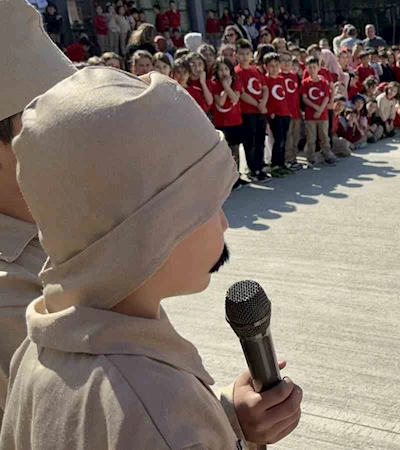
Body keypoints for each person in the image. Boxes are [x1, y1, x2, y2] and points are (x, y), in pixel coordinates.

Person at [2, 67, 303, 449]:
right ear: (150, 234)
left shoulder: (35, 352)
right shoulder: (160, 412)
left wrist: (225, 419)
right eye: (210, 204)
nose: (225, 223)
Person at [0, 0, 76, 427]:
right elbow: (95, 418)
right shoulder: (10, 293)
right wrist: (226, 419)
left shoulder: (54, 225)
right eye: (45, 125)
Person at [209, 56, 249, 191]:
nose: (223, 72)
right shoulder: (214, 84)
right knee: (223, 152)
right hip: (221, 123)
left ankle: (236, 177)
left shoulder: (236, 82)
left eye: (226, 69)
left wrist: (228, 86)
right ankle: (225, 179)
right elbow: (220, 102)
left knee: (235, 150)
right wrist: (225, 86)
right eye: (220, 70)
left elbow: (235, 98)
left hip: (235, 121)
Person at [234, 39, 269, 182]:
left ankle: (259, 166)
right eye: (241, 54)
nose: (244, 57)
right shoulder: (237, 72)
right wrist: (257, 104)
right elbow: (241, 93)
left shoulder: (256, 71)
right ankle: (252, 168)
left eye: (247, 54)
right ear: (237, 55)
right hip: (247, 111)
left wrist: (263, 102)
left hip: (260, 110)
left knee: (260, 139)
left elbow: (265, 88)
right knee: (250, 141)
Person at [261, 52, 292, 178]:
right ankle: (275, 165)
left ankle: (282, 163)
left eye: (276, 65)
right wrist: (270, 112)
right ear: (265, 67)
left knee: (283, 140)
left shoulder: (281, 79)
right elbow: (265, 98)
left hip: (285, 114)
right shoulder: (265, 80)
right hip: (275, 115)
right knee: (278, 140)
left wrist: (288, 112)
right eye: (271, 66)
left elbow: (284, 97)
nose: (274, 68)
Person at [302, 56, 337, 166]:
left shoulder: (323, 82)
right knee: (311, 137)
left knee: (324, 136)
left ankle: (327, 154)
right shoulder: (305, 83)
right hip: (310, 115)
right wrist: (316, 108)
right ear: (306, 68)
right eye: (310, 67)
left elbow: (327, 96)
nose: (312, 70)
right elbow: (304, 98)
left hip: (323, 115)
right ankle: (310, 157)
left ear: (318, 68)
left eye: (314, 67)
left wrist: (321, 109)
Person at [281, 55, 303, 171]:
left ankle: (294, 157)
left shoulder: (294, 77)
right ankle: (288, 158)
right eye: (283, 61)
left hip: (296, 113)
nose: (286, 64)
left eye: (288, 61)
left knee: (296, 136)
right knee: (288, 137)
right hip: (285, 113)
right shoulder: (279, 77)